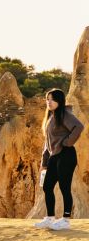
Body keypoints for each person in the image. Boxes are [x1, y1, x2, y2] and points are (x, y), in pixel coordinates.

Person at [34, 88, 84, 230]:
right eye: (47, 99)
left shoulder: (64, 114)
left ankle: (65, 220)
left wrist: (67, 142)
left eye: (52, 99)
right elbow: (47, 142)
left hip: (66, 155)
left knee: (64, 187)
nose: (48, 102)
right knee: (47, 186)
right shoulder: (51, 116)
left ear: (59, 101)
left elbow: (79, 127)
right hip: (55, 156)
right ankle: (50, 218)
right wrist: (44, 162)